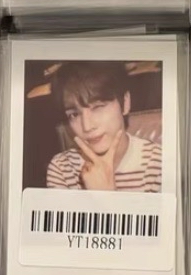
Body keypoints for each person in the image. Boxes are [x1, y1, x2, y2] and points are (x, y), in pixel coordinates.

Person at [43, 61, 163, 192]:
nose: (87, 127)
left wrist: (106, 195)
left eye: (98, 107)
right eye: (74, 114)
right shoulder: (62, 169)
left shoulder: (159, 165)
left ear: (125, 102)